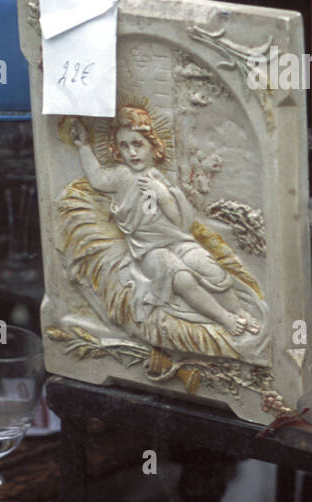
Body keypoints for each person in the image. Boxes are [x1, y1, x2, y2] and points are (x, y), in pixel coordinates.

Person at [70, 108, 261, 337]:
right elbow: (98, 179)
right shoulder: (122, 176)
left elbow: (179, 222)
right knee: (179, 276)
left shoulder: (158, 178)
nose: (131, 152)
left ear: (153, 145)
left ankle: (240, 311)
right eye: (124, 145)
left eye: (137, 144)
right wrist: (83, 147)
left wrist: (161, 193)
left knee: (210, 267)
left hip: (176, 240)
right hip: (148, 250)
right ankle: (226, 319)